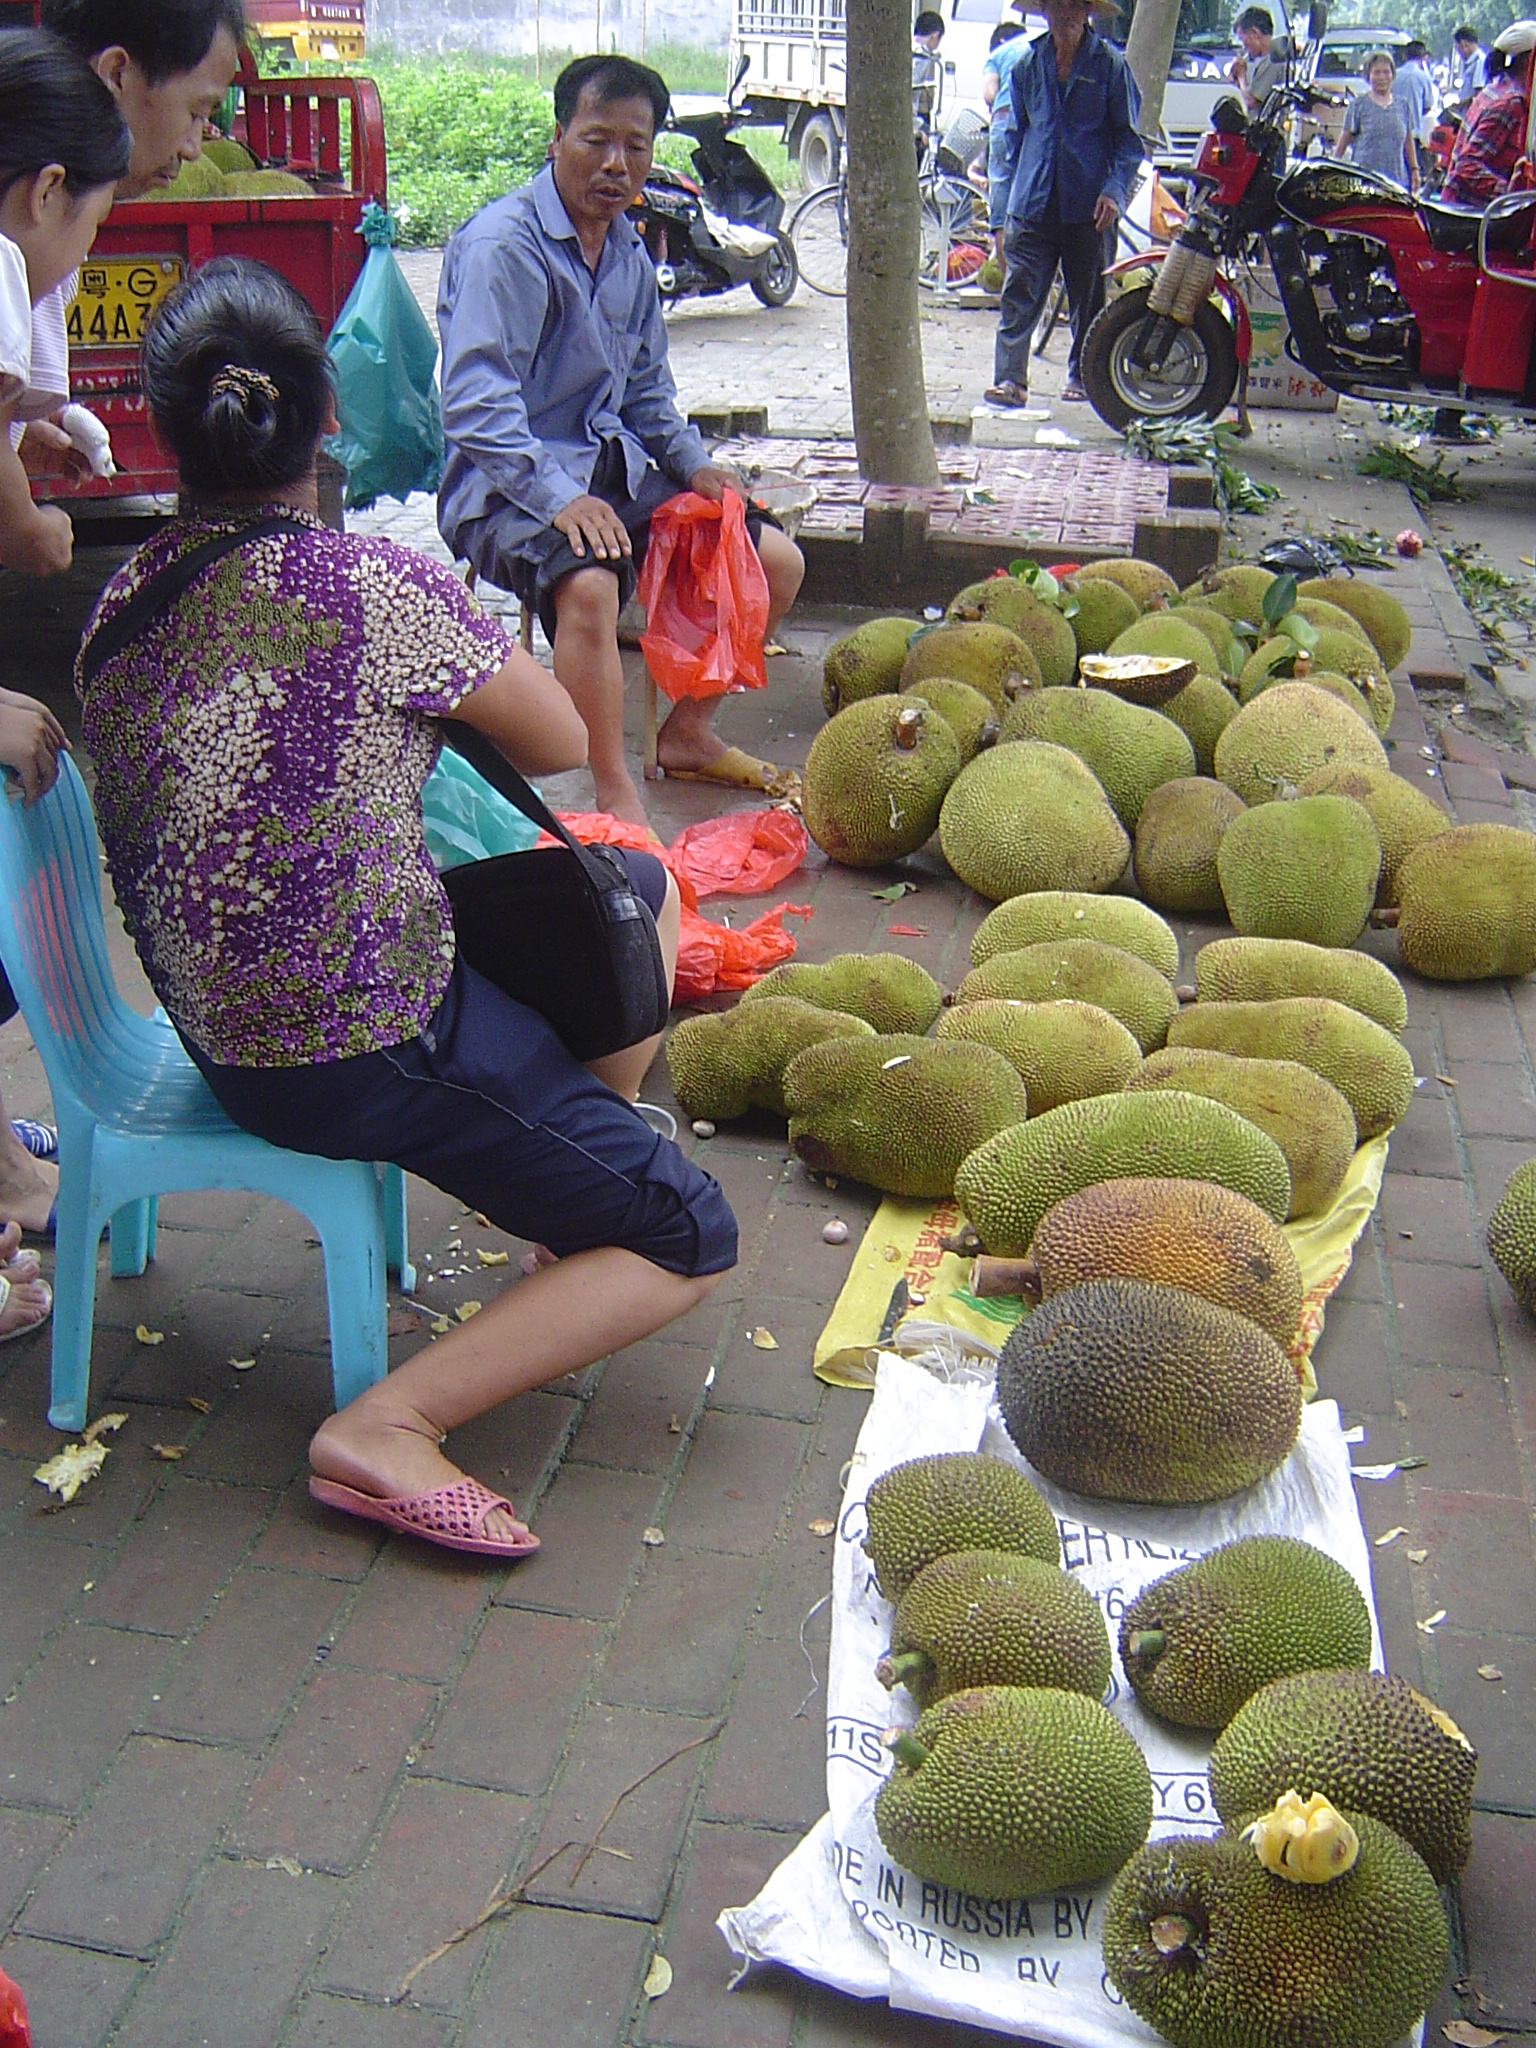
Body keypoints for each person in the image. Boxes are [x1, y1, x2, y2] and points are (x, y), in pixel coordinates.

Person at [76, 256, 737, 1560]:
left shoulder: (119, 602)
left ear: (165, 430)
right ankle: (382, 1427)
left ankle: (571, 1208)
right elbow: (554, 735)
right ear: (328, 423)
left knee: (638, 894)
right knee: (687, 1230)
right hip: (354, 1036)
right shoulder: (371, 584)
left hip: (215, 1012)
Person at [437, 55, 805, 829]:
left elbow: (645, 396)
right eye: (595, 140)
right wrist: (558, 496)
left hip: (609, 472)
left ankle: (689, 733)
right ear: (557, 138)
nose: (615, 164)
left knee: (773, 557)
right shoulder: (504, 246)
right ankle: (613, 790)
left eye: (635, 146)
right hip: (501, 484)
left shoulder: (633, 253)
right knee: (594, 584)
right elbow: (475, 406)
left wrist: (697, 466)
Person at [18, 3, 245, 489]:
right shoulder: (25, 249)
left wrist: (16, 434)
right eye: (195, 112)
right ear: (117, 73)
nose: (193, 148)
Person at [0, 27, 128, 578]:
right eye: (94, 224)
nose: (84, 252)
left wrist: (20, 440)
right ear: (48, 192)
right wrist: (24, 525)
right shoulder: (3, 267)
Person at [985, 0, 1144, 409]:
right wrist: (1000, 214)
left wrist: (1113, 190)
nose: (1067, 14)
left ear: (1088, 12)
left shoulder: (1109, 65)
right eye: (1058, 6)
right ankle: (1010, 380)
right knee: (1019, 294)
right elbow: (1011, 142)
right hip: (1033, 201)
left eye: (1075, 6)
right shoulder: (1027, 66)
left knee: (1088, 296)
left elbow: (1128, 143)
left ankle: (1083, 374)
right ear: (1044, 12)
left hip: (1090, 207)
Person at [1441, 22, 1535, 206]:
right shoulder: (1512, 103)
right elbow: (1467, 165)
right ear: (1529, 62)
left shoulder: (1496, 89)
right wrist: (1511, 194)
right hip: (1471, 214)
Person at [985, 10, 1031, 267]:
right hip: (1035, 125)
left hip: (1004, 120)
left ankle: (1008, 284)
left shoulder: (997, 55)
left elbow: (990, 93)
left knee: (1001, 200)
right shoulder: (1038, 47)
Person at [1335, 51, 1419, 191]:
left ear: (1393, 75)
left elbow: (1408, 141)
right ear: (1368, 75)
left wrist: (1415, 170)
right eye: (1377, 72)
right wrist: (1334, 167)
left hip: (1396, 182)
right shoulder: (1358, 105)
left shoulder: (1403, 105)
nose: (1382, 77)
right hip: (1365, 183)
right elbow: (1344, 140)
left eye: (1386, 72)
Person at [1392, 39, 1437, 177]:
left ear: (1404, 56)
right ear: (1424, 58)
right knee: (1413, 174)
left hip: (1393, 133)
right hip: (1414, 135)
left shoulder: (1394, 75)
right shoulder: (1424, 78)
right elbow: (1428, 107)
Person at [1228, 6, 1284, 110]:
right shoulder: (1262, 60)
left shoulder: (1273, 61)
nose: (1244, 47)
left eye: (1243, 40)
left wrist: (1241, 76)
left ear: (1255, 33)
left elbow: (1250, 102)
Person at [913, 9, 947, 162]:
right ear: (935, 36)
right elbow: (908, 100)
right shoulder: (921, 57)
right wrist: (921, 128)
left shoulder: (906, 45)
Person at [1453, 24, 1487, 109]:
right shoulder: (1469, 63)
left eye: (1458, 48)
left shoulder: (1479, 61)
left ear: (1464, 44)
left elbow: (1479, 94)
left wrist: (1459, 105)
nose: (1459, 53)